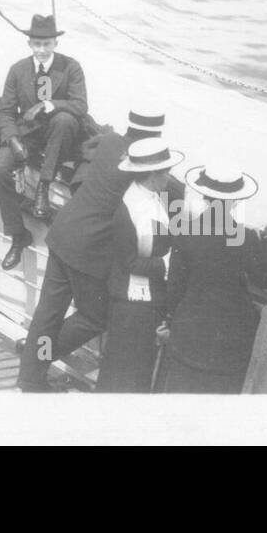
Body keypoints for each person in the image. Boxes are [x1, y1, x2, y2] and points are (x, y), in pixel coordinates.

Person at [16, 104, 168, 392]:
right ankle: (40, 357)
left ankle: (30, 375)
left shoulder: (110, 141)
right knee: (94, 316)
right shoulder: (140, 169)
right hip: (88, 249)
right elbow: (167, 189)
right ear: (155, 135)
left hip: (63, 232)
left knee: (48, 311)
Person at [158, 164, 267, 393]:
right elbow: (264, 278)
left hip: (189, 335)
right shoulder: (243, 237)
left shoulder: (186, 232)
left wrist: (171, 320)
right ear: (235, 201)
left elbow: (174, 288)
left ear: (205, 195)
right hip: (230, 342)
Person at [0, 14, 88, 270]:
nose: (42, 50)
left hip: (59, 134)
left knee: (65, 119)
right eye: (36, 44)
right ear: (29, 44)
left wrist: (49, 104)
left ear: (55, 43)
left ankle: (44, 187)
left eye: (47, 44)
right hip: (28, 134)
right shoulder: (18, 70)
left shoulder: (70, 67)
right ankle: (17, 234)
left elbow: (80, 105)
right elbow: (5, 111)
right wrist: (12, 140)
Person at [98, 137, 186, 392]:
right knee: (127, 370)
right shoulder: (128, 209)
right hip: (131, 302)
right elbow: (129, 262)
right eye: (165, 172)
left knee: (133, 369)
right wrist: (169, 261)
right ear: (152, 175)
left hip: (145, 300)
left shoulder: (150, 196)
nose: (169, 177)